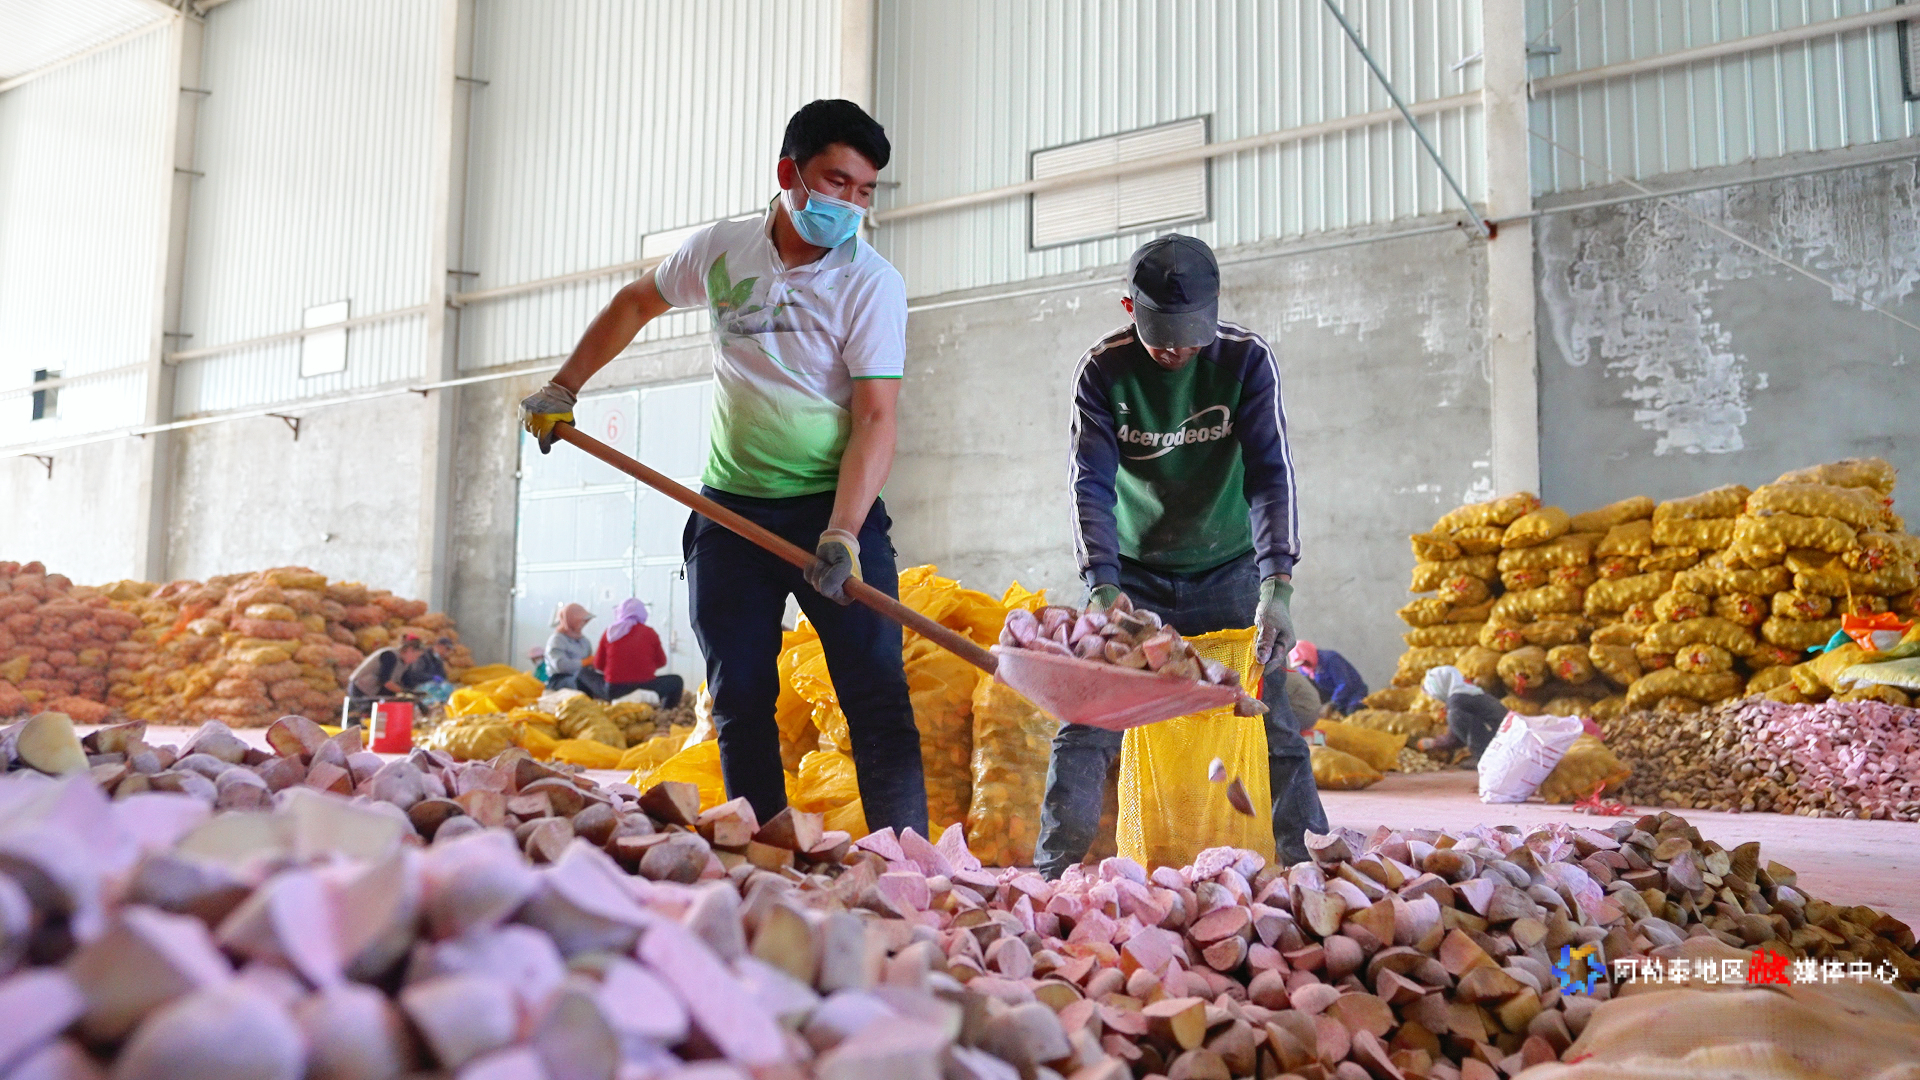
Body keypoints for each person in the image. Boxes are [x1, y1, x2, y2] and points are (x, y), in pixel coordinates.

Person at [520, 100, 927, 834]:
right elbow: (636, 302)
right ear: (789, 174)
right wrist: (563, 387)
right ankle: (760, 852)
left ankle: (909, 868)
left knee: (875, 699)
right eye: (836, 182)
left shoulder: (871, 283)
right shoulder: (723, 249)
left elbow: (876, 417)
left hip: (831, 512)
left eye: (865, 191)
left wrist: (843, 533)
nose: (850, 204)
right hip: (729, 513)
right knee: (738, 697)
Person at [1037, 233, 1328, 875]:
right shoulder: (1103, 370)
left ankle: (1311, 862)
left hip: (1230, 569)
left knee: (1270, 716)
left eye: (1191, 339)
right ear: (1129, 309)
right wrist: (1102, 586)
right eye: (1162, 338)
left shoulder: (1247, 360)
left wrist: (1277, 586)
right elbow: (1089, 484)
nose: (1176, 352)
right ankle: (1055, 870)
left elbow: (1271, 475)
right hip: (1133, 578)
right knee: (1088, 719)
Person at [594, 598, 683, 707]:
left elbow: (598, 665)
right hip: (647, 687)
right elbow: (662, 662)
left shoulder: (609, 633)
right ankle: (666, 712)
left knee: (581, 673)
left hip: (614, 690)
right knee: (677, 681)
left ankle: (590, 710)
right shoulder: (650, 632)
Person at [1417, 665, 1505, 765]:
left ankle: (1485, 758)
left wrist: (1433, 743)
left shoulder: (1457, 701)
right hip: (1504, 739)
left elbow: (1454, 738)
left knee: (1454, 717)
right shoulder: (1471, 693)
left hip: (1499, 742)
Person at [345, 635, 425, 720]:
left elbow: (406, 682)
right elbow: (386, 682)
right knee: (363, 719)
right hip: (361, 689)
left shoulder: (404, 664)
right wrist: (405, 692)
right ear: (410, 650)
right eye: (417, 656)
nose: (415, 660)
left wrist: (414, 693)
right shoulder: (390, 656)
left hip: (374, 691)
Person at [545, 602, 608, 698]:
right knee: (583, 678)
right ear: (571, 620)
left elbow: (590, 666)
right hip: (559, 680)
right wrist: (585, 662)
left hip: (581, 677)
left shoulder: (584, 640)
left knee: (600, 680)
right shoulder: (557, 639)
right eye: (581, 621)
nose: (583, 624)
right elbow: (560, 666)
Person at [1290, 640, 1369, 715]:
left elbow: (1344, 683)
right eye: (1301, 664)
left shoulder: (1330, 659)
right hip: (1330, 698)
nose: (1304, 665)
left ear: (1308, 655)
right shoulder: (1304, 670)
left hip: (1353, 694)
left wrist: (1332, 704)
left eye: (1305, 662)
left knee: (1352, 713)